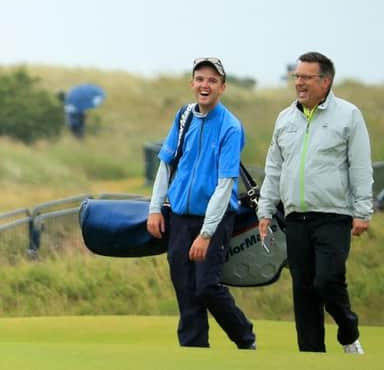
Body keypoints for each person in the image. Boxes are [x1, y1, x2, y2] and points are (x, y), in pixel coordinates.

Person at [257, 52, 372, 354]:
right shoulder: (285, 118)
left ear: (325, 81)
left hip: (333, 216)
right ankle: (311, 356)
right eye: (296, 77)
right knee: (304, 290)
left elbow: (360, 167)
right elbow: (273, 169)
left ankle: (348, 331)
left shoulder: (348, 115)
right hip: (296, 218)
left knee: (327, 280)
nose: (299, 83)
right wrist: (265, 210)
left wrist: (362, 211)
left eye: (306, 77)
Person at [147, 57, 256, 349]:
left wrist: (206, 234)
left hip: (215, 218)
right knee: (186, 290)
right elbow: (166, 164)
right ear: (192, 83)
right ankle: (194, 352)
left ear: (222, 87)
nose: (204, 85)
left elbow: (225, 184)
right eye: (199, 79)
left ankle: (245, 338)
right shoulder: (184, 116)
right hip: (180, 217)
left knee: (207, 286)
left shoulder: (231, 126)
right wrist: (155, 208)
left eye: (211, 80)